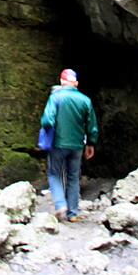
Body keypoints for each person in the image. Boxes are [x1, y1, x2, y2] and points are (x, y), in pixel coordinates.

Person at [39, 68, 98, 222]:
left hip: (58, 144)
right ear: (76, 83)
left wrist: (47, 132)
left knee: (54, 174)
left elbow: (47, 120)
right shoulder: (85, 100)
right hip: (77, 145)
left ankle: (60, 205)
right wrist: (90, 144)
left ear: (62, 81)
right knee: (73, 177)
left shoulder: (56, 97)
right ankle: (73, 214)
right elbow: (91, 126)